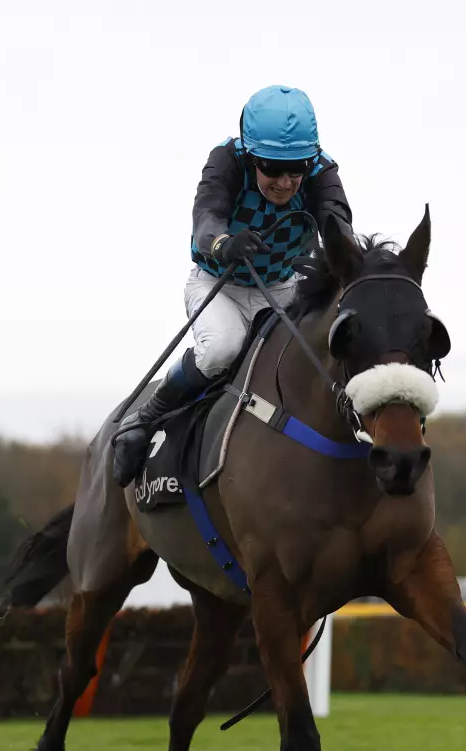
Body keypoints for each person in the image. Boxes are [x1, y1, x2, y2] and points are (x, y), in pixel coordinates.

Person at [112, 84, 354, 487]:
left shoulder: (322, 171)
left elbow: (338, 222)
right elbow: (207, 216)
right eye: (271, 168)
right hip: (217, 284)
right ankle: (146, 418)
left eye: (296, 169)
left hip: (283, 287)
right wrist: (224, 243)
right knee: (223, 347)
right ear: (250, 154)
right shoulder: (226, 158)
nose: (285, 183)